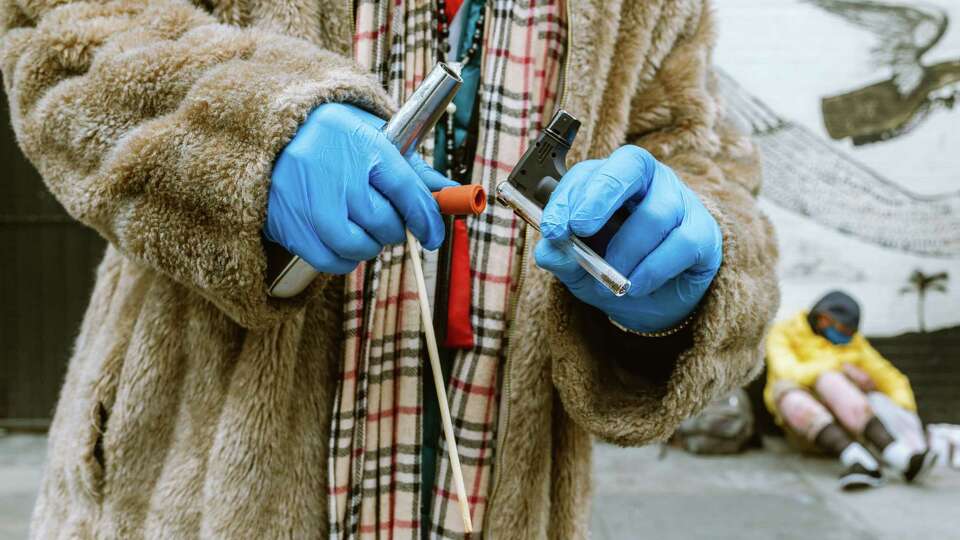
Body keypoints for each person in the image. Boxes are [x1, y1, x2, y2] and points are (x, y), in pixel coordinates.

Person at [2, 0, 778, 537]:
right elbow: (63, 33)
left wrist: (678, 290)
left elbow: (704, 164)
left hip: (500, 497)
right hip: (183, 494)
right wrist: (248, 130)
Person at [765, 291, 935, 491]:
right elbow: (787, 372)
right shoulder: (784, 332)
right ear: (823, 319)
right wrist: (841, 366)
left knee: (837, 381)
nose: (847, 337)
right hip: (809, 430)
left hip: (856, 426)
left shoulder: (854, 342)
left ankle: (899, 457)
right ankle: (858, 460)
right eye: (844, 330)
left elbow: (890, 378)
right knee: (814, 383)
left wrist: (904, 412)